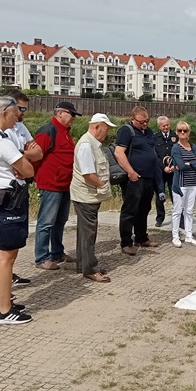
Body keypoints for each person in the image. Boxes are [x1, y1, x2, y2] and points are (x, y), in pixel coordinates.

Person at [0, 95, 35, 325]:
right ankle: (4, 310)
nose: (17, 118)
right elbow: (29, 169)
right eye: (14, 114)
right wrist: (22, 166)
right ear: (4, 114)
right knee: (7, 257)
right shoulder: (1, 141)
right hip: (10, 199)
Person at [33, 101, 81, 270]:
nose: (74, 118)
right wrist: (35, 177)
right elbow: (35, 155)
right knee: (46, 222)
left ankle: (57, 252)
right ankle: (41, 257)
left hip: (65, 185)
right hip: (51, 184)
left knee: (60, 221)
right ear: (60, 113)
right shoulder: (48, 131)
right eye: (71, 114)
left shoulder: (66, 133)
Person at [70, 113, 117, 283]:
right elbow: (88, 173)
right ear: (97, 126)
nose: (107, 133)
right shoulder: (86, 145)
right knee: (89, 233)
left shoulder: (92, 144)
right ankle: (90, 269)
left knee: (84, 232)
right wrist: (102, 185)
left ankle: (83, 264)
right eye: (106, 129)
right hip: (85, 196)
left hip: (87, 195)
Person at [113, 106, 165, 255]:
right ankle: (126, 242)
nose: (145, 124)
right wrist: (131, 172)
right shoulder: (126, 131)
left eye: (147, 121)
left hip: (148, 177)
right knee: (130, 210)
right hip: (134, 177)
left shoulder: (148, 132)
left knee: (144, 209)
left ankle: (141, 237)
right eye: (141, 122)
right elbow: (119, 153)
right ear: (133, 119)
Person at [169, 120, 196, 248]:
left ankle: (189, 235)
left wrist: (190, 163)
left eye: (185, 130)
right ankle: (175, 236)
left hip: (192, 183)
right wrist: (193, 162)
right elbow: (181, 166)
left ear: (188, 132)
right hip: (180, 184)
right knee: (177, 211)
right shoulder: (176, 148)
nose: (182, 133)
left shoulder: (192, 146)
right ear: (177, 132)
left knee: (189, 211)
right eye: (179, 130)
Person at [153, 116, 178, 227]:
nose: (166, 127)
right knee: (160, 195)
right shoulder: (155, 138)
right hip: (160, 172)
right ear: (159, 126)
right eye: (163, 126)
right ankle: (160, 218)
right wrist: (164, 167)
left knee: (175, 195)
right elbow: (155, 156)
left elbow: (179, 153)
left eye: (167, 125)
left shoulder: (175, 136)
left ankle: (178, 217)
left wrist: (174, 165)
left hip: (173, 171)